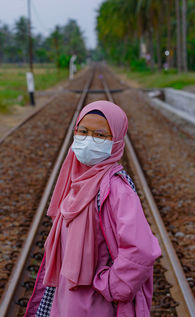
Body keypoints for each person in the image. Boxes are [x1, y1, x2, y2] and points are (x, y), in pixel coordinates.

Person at [24, 100, 161, 317]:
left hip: (96, 303)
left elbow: (141, 250)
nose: (88, 140)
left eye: (100, 135)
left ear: (115, 141)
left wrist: (112, 285)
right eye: (83, 131)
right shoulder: (75, 180)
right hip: (64, 295)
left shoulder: (116, 189)